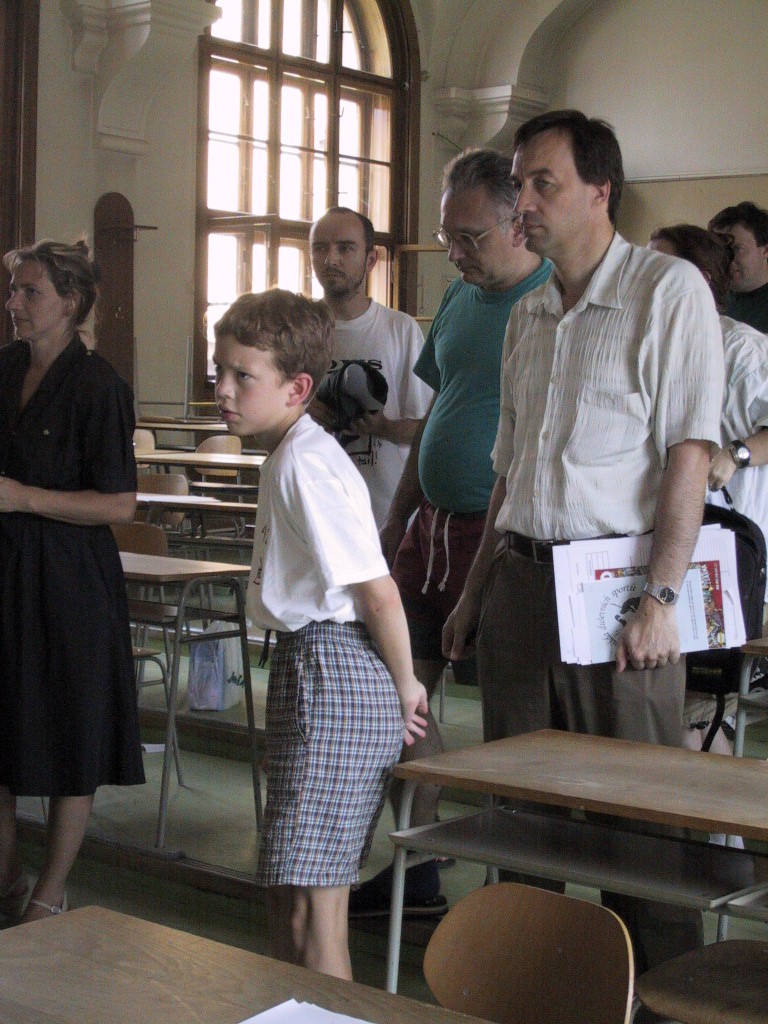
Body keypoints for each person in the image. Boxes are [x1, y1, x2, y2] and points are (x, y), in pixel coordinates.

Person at [444, 111, 723, 989]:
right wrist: (473, 593)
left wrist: (661, 598)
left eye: (543, 183)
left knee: (643, 826)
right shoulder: (528, 314)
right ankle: (531, 991)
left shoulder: (666, 291)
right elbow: (509, 470)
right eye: (518, 183)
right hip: (523, 585)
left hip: (618, 593)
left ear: (600, 191)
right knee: (520, 817)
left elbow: (688, 455)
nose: (522, 202)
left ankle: (665, 1001)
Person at [350, 148, 551, 918]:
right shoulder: (462, 297)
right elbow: (441, 411)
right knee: (396, 695)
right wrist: (397, 516)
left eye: (469, 237)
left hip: (496, 536)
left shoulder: (548, 303)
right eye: (447, 236)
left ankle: (514, 896)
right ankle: (421, 860)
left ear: (518, 223)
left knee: (511, 724)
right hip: (427, 528)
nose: (455, 252)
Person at [212, 289, 428, 980]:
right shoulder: (291, 454)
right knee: (289, 895)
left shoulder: (306, 461)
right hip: (310, 666)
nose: (223, 390)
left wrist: (407, 687)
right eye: (219, 371)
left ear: (297, 388)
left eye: (243, 376)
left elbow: (376, 590)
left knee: (313, 909)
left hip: (335, 672)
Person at [0, 239, 144, 924]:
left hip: (69, 582)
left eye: (30, 291)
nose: (14, 303)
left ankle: (49, 893)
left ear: (71, 301)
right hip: (6, 572)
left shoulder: (98, 386)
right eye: (13, 290)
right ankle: (5, 878)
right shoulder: (4, 368)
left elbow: (120, 504)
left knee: (70, 731)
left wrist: (24, 498)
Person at [649, 223, 768, 759]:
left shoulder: (744, 348)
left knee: (700, 708)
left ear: (696, 277)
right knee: (678, 709)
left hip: (728, 557)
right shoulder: (652, 341)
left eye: (658, 265)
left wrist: (735, 454)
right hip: (665, 548)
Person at [309, 207, 433, 528]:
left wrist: (383, 427)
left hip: (382, 514)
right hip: (315, 510)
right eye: (320, 248)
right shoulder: (297, 330)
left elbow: (427, 429)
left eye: (345, 248)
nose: (330, 259)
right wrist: (301, 413)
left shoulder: (400, 329)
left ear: (371, 259)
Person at [709, 201, 768, 332]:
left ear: (765, 250)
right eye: (720, 250)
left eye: (736, 249)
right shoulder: (709, 299)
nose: (726, 259)